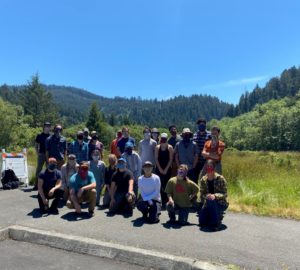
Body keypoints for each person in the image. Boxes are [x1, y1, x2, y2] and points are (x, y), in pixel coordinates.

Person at [198, 160, 228, 231]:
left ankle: (216, 223)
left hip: (220, 203)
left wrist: (215, 196)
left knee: (211, 199)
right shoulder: (203, 179)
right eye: (207, 167)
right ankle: (215, 216)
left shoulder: (220, 178)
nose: (209, 168)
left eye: (210, 167)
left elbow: (225, 194)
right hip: (208, 203)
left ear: (214, 168)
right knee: (202, 222)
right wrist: (207, 196)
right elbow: (202, 193)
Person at [155, 133, 173, 206]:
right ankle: (160, 200)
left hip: (167, 168)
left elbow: (171, 159)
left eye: (164, 140)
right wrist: (160, 169)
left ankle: (166, 200)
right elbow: (156, 159)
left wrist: (165, 169)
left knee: (166, 185)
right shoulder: (157, 147)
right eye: (162, 139)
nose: (163, 141)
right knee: (159, 184)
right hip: (159, 167)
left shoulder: (170, 147)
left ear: (167, 140)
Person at [34, 122, 51, 190]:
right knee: (39, 170)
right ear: (44, 127)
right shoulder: (39, 135)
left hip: (49, 155)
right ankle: (36, 185)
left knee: (49, 170)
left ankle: (47, 185)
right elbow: (36, 145)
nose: (47, 127)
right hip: (41, 154)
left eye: (49, 126)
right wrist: (37, 153)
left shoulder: (51, 136)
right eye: (46, 126)